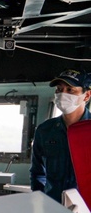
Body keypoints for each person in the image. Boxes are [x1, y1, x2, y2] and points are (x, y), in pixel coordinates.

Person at [31, 69, 91, 201]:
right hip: (53, 205)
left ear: (86, 96)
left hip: (86, 210)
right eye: (59, 89)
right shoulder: (45, 130)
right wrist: (40, 200)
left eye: (70, 90)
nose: (62, 94)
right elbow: (37, 172)